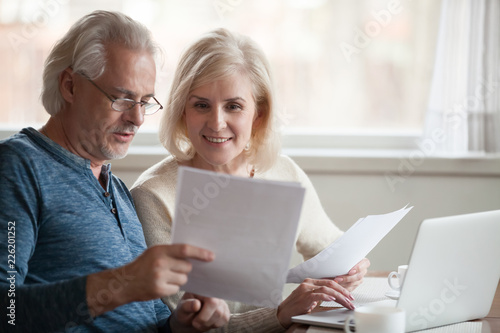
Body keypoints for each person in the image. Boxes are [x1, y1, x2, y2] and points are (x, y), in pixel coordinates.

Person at [0, 11, 230, 333]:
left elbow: (146, 323)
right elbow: (5, 310)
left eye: (145, 101)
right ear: (70, 85)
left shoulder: (119, 190)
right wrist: (121, 284)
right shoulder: (18, 168)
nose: (137, 118)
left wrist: (180, 324)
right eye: (122, 98)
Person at [131, 28, 370, 332]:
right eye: (201, 105)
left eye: (233, 106)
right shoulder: (153, 196)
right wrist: (280, 315)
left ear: (259, 114)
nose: (217, 122)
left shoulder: (282, 173)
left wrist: (351, 266)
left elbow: (329, 247)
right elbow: (184, 325)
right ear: (181, 111)